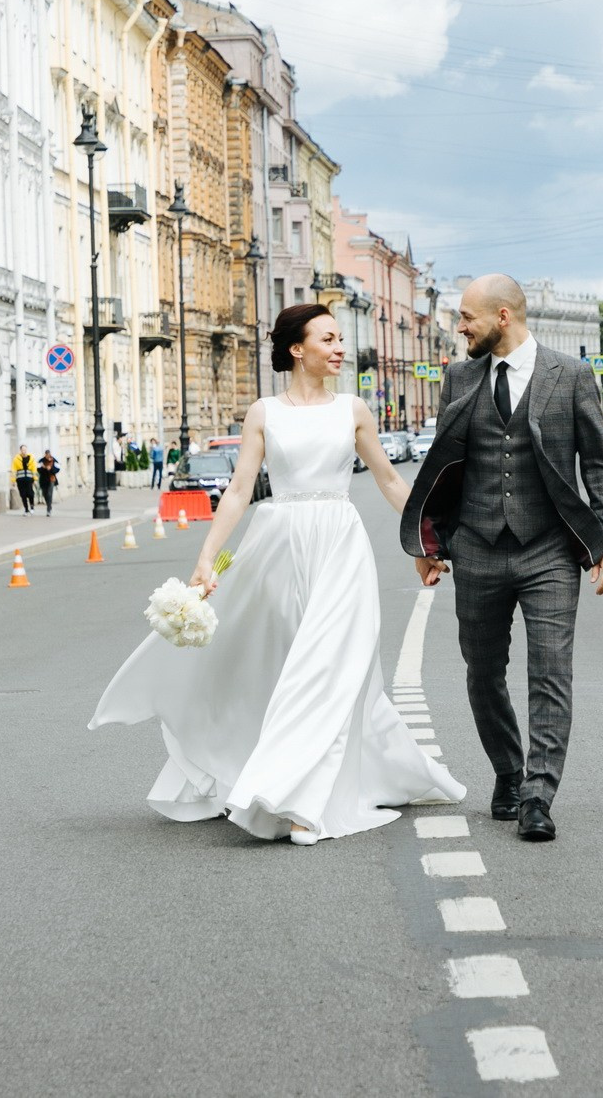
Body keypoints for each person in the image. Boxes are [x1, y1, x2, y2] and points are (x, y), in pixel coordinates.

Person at [91, 303, 465, 844]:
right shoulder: (265, 412)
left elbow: (387, 480)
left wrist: (423, 542)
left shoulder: (354, 409)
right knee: (288, 668)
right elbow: (240, 490)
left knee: (331, 667)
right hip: (280, 546)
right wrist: (207, 559)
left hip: (340, 544)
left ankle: (301, 802)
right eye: (329, 339)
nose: (340, 348)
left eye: (340, 340)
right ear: (297, 349)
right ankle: (277, 776)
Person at [401, 274, 603, 844]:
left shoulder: (570, 376)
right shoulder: (459, 377)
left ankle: (538, 794)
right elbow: (445, 467)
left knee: (550, 671)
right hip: (476, 547)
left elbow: (598, 467)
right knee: (482, 672)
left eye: (467, 318)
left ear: (502, 316)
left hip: (548, 548)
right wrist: (431, 542)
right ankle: (508, 769)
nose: (460, 328)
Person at [13, 444, 37, 514]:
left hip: (29, 479)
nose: (24, 451)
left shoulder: (31, 458)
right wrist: (13, 480)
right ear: (20, 450)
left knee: (30, 493)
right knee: (23, 494)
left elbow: (34, 469)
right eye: (23, 450)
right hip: (20, 479)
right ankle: (26, 509)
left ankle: (32, 507)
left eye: (25, 450)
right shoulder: (16, 459)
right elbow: (13, 470)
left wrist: (35, 479)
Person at [37, 451, 60, 516]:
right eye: (46, 454)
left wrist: (51, 469)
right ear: (45, 455)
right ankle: (48, 504)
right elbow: (38, 469)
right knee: (44, 494)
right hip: (43, 480)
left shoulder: (54, 460)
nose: (48, 456)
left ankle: (49, 509)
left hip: (51, 479)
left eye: (49, 454)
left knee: (49, 493)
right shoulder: (41, 461)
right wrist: (44, 468)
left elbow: (58, 468)